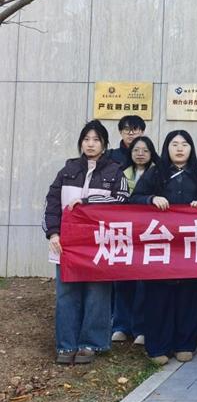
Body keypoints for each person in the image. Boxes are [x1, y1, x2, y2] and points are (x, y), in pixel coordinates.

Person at [44, 120, 130, 364]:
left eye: (96, 140)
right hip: (67, 245)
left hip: (98, 245)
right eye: (86, 139)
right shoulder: (67, 169)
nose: (90, 144)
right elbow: (51, 204)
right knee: (66, 294)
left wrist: (89, 201)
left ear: (104, 145)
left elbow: (123, 201)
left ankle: (92, 344)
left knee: (97, 295)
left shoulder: (115, 171)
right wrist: (53, 233)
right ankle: (66, 345)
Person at [131, 130, 197, 365]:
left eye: (184, 144)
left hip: (189, 248)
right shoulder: (155, 173)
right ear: (167, 148)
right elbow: (134, 199)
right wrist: (150, 199)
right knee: (158, 298)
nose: (179, 148)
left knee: (189, 297)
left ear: (191, 149)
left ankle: (185, 344)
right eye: (174, 144)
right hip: (160, 247)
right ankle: (158, 347)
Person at [112, 135, 160, 346]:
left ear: (152, 153)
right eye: (136, 150)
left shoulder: (159, 173)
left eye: (145, 150)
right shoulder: (120, 174)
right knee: (121, 280)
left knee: (143, 284)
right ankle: (121, 326)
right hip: (124, 234)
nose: (140, 154)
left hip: (147, 235)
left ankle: (140, 328)